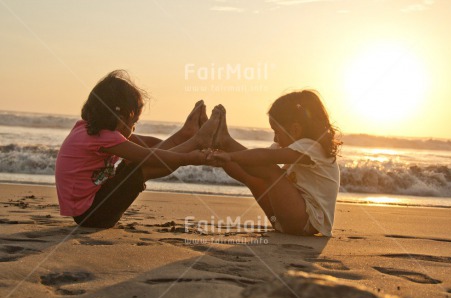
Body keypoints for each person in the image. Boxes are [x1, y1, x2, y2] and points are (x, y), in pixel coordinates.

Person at [55, 70, 220, 228]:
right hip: (94, 215)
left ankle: (187, 134)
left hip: (91, 209)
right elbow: (148, 156)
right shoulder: (103, 137)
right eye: (133, 123)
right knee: (141, 166)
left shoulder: (90, 131)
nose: (133, 129)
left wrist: (180, 140)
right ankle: (196, 140)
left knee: (141, 161)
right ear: (120, 118)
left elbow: (146, 145)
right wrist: (188, 157)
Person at [208, 91, 341, 236]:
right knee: (253, 178)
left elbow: (265, 157)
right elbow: (256, 159)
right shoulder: (290, 146)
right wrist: (226, 157)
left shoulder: (311, 147)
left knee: (271, 171)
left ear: (295, 130)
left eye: (276, 132)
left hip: (308, 221)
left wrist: (231, 156)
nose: (275, 138)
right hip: (288, 220)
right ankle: (224, 143)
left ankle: (226, 143)